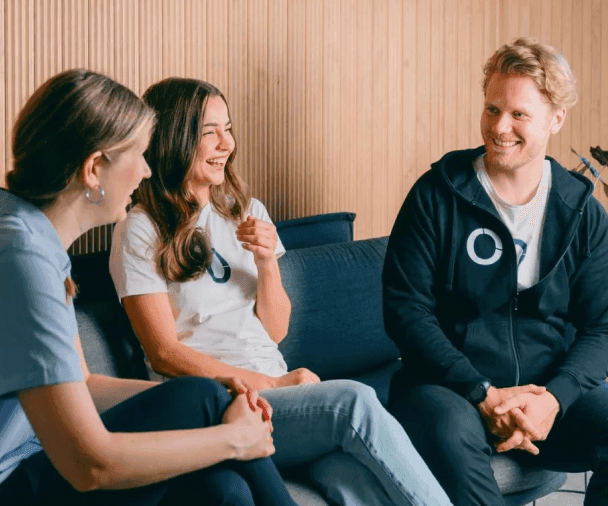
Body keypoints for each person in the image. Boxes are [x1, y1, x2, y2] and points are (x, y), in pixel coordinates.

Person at [109, 77, 453, 506]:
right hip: (218, 403)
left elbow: (275, 330)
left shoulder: (245, 211)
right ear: (175, 140)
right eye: (210, 132)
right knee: (354, 401)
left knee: (350, 478)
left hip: (276, 392)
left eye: (227, 129)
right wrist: (273, 382)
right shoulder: (141, 228)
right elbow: (163, 352)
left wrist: (267, 262)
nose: (227, 144)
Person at [0, 69, 299, 506]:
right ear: (94, 169)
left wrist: (223, 396)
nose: (146, 171)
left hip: (41, 458)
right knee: (203, 398)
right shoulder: (23, 258)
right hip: (15, 477)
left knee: (222, 485)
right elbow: (89, 466)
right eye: (139, 155)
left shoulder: (35, 238)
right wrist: (235, 439)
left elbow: (84, 384)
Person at [383, 37, 608, 506]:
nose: (499, 127)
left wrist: (553, 399)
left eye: (519, 114)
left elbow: (603, 326)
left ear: (556, 119)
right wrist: (482, 393)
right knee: (447, 432)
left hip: (543, 397)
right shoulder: (436, 196)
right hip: (446, 390)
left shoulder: (581, 211)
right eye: (492, 109)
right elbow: (406, 312)